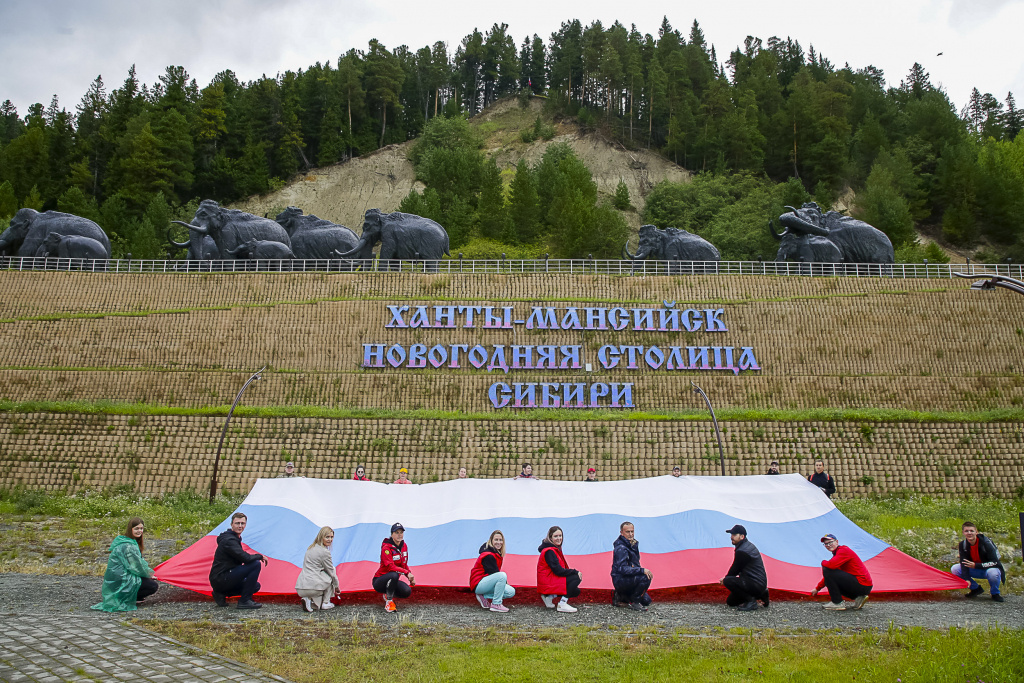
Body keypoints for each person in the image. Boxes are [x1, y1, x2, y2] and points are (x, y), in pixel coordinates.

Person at [91, 517, 159, 612]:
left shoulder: (130, 542)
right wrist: (149, 575)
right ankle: (127, 597)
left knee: (147, 580)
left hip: (118, 578)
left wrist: (148, 573)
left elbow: (140, 562)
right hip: (120, 579)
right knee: (152, 586)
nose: (139, 531)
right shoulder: (128, 546)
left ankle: (131, 595)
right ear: (130, 529)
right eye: (136, 528)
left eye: (141, 528)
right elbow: (136, 567)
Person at [209, 512, 267, 609]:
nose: (240, 526)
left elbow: (242, 558)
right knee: (256, 564)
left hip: (223, 578)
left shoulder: (233, 538)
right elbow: (246, 558)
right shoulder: (229, 541)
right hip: (221, 578)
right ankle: (244, 601)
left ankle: (220, 593)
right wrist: (259, 556)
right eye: (237, 523)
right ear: (232, 524)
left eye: (242, 523)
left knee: (255, 586)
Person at [811, 533, 872, 610]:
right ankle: (859, 598)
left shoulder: (843, 550)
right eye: (826, 544)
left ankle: (837, 602)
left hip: (861, 584)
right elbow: (829, 577)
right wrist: (817, 589)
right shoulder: (838, 556)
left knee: (827, 568)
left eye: (830, 542)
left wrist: (823, 562)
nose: (828, 545)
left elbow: (830, 567)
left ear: (837, 541)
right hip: (863, 586)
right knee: (829, 572)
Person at [719, 524, 769, 612]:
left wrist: (725, 579)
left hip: (755, 583)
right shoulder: (746, 546)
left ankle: (751, 601)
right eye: (731, 535)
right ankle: (761, 594)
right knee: (731, 602)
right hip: (755, 583)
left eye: (734, 535)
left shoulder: (743, 551)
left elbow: (736, 568)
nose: (731, 537)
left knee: (728, 581)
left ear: (742, 536)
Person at [951, 521, 1005, 602]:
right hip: (975, 569)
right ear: (963, 533)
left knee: (993, 573)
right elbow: (963, 562)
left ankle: (995, 593)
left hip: (990, 569)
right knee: (955, 568)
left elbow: (995, 562)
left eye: (972, 531)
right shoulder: (963, 544)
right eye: (966, 531)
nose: (969, 533)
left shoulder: (986, 543)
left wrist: (976, 565)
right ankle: (976, 589)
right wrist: (966, 578)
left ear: (976, 532)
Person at [537, 525, 582, 613]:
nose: (559, 538)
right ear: (550, 538)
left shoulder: (553, 549)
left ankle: (549, 597)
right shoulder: (549, 551)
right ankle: (562, 604)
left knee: (576, 591)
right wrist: (575, 571)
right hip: (547, 581)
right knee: (576, 577)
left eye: (560, 536)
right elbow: (558, 570)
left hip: (549, 579)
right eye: (555, 536)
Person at [469, 530, 516, 613]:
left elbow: (495, 574)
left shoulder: (496, 553)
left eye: (500, 540)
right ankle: (496, 604)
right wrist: (504, 581)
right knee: (502, 575)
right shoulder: (488, 555)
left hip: (486, 582)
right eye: (496, 540)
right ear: (491, 541)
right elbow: (494, 573)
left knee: (511, 592)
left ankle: (484, 595)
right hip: (479, 583)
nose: (499, 542)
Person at [296, 526, 340, 612]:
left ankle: (310, 601)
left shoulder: (310, 548)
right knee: (332, 571)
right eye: (327, 537)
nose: (330, 539)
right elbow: (331, 572)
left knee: (317, 603)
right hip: (313, 587)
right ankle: (326, 602)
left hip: (300, 587)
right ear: (321, 537)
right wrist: (337, 587)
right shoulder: (325, 552)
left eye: (331, 537)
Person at [373, 523, 415, 612]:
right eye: (397, 532)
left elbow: (404, 564)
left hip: (393, 580)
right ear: (392, 534)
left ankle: (388, 593)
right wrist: (407, 573)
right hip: (379, 581)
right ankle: (389, 602)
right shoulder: (386, 548)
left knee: (407, 591)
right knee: (394, 574)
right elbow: (390, 567)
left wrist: (410, 577)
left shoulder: (404, 546)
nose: (399, 535)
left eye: (401, 532)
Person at [610, 521, 653, 611]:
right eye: (627, 532)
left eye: (632, 531)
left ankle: (621, 596)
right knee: (645, 576)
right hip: (621, 579)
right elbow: (622, 569)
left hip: (629, 577)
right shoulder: (621, 548)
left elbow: (636, 563)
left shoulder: (632, 544)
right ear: (621, 532)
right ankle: (635, 602)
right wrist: (641, 571)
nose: (631, 534)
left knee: (647, 601)